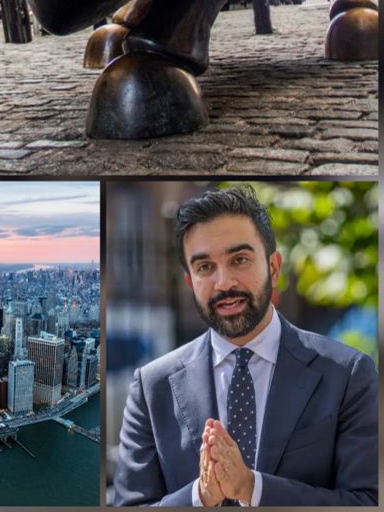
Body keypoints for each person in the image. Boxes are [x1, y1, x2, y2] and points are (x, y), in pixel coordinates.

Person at [113, 185, 377, 507]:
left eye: (239, 259)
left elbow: (367, 501)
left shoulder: (348, 375)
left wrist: (253, 488)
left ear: (274, 268)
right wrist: (199, 497)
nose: (223, 283)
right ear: (189, 282)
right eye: (205, 267)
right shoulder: (151, 387)